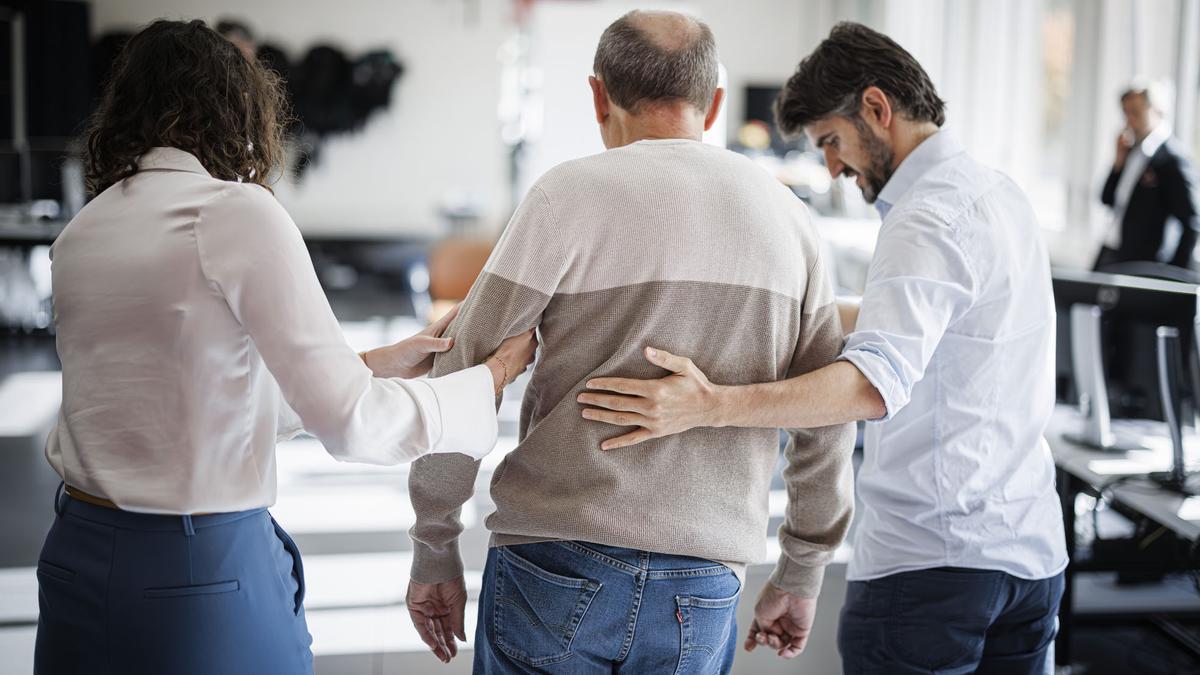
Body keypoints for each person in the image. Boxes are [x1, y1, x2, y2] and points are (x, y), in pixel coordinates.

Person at [36, 20, 536, 675]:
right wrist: (487, 380)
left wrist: (370, 364)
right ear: (235, 107)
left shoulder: (84, 231)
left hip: (77, 558)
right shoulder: (233, 212)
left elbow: (189, 398)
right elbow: (354, 424)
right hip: (196, 576)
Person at [580, 22, 1068, 674]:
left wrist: (709, 405)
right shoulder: (999, 195)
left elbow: (869, 384)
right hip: (1031, 560)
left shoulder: (923, 216)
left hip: (934, 567)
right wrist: (783, 309)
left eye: (831, 142)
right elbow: (926, 328)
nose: (834, 169)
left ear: (876, 107)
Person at [404, 10, 855, 673]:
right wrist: (802, 569)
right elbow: (824, 413)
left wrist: (434, 543)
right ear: (715, 102)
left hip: (552, 562)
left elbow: (464, 370)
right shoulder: (792, 222)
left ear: (597, 95)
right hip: (702, 579)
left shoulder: (565, 196)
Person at [1095, 79, 1200, 270]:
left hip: (1145, 263)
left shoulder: (1172, 159)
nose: (1129, 120)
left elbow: (1192, 222)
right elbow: (1107, 199)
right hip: (1114, 250)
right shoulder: (1132, 150)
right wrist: (1118, 162)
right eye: (1125, 113)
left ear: (1157, 110)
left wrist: (1172, 274)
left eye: (1135, 112)